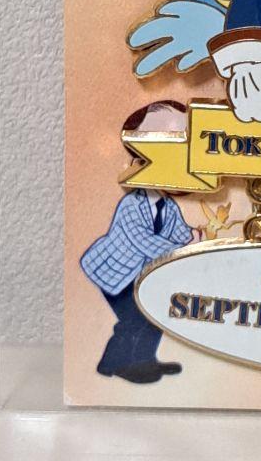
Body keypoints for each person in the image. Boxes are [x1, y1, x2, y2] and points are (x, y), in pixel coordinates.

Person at [80, 101, 194, 384]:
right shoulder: (132, 204)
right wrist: (180, 249)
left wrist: (198, 238)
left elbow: (182, 232)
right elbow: (143, 241)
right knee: (133, 318)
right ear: (137, 162)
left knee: (155, 313)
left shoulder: (168, 206)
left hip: (139, 274)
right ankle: (112, 364)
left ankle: (144, 361)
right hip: (113, 273)